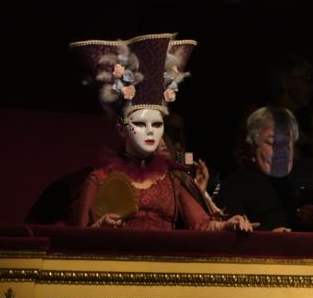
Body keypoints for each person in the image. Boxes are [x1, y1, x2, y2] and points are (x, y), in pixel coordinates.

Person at [71, 33, 253, 232]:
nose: (150, 131)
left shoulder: (173, 178)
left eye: (157, 125)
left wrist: (227, 225)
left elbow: (201, 225)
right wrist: (99, 227)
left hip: (164, 260)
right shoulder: (99, 179)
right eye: (140, 124)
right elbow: (76, 240)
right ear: (121, 130)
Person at [218, 106, 313, 232]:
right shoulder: (234, 185)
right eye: (271, 143)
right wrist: (270, 239)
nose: (281, 150)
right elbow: (234, 233)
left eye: (286, 142)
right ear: (253, 146)